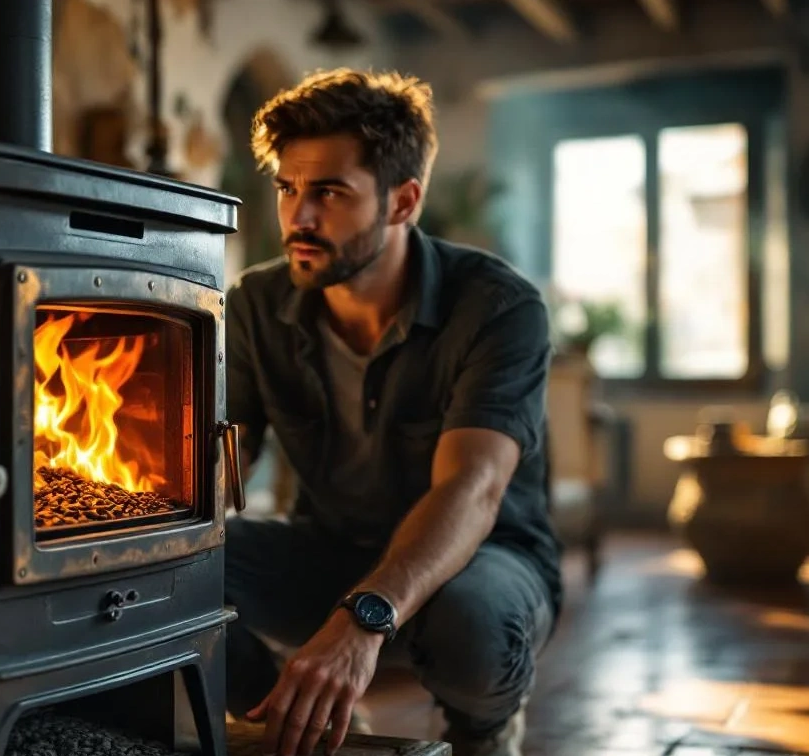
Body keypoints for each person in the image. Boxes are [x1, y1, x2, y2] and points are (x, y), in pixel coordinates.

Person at [223, 67, 562, 756]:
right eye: (288, 188)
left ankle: (485, 729)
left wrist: (363, 621)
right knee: (170, 572)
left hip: (483, 559)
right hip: (330, 551)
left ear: (403, 201)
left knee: (473, 626)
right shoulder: (257, 303)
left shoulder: (498, 308)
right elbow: (231, 454)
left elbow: (473, 489)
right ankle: (303, 716)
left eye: (329, 193)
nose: (299, 217)